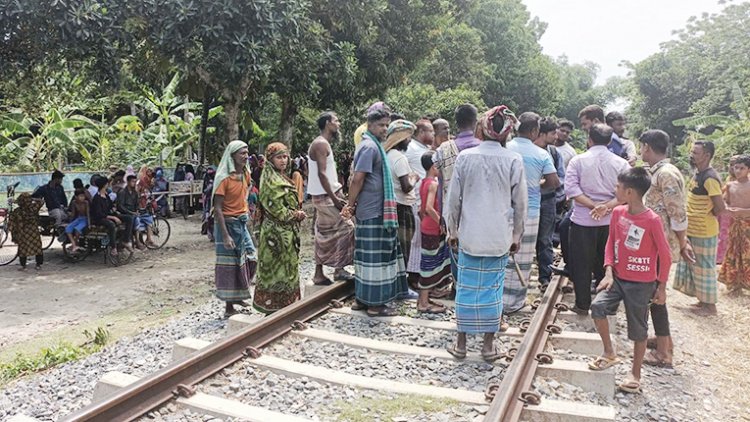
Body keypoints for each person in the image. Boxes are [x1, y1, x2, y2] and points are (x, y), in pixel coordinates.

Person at [444, 103, 527, 361]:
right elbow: (521, 204)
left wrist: (452, 231)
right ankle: (489, 346)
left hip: (470, 235)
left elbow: (453, 200)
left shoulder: (465, 158)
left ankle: (461, 344)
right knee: (493, 289)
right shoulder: (514, 160)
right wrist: (516, 236)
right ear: (506, 133)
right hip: (498, 237)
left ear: (483, 128)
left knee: (467, 288)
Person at [588, 167, 672, 395]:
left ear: (630, 192)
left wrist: (661, 286)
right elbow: (610, 243)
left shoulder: (651, 220)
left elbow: (665, 256)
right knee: (597, 306)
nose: (615, 190)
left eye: (618, 187)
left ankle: (635, 373)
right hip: (618, 278)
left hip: (642, 284)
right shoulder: (618, 213)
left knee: (639, 329)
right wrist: (608, 272)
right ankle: (609, 352)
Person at [342, 108, 408, 317]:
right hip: (373, 211)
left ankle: (362, 300)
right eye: (381, 125)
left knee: (366, 258)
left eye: (386, 125)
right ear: (369, 124)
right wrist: (350, 205)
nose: (384, 129)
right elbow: (357, 179)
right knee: (376, 258)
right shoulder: (370, 147)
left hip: (372, 210)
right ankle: (375, 305)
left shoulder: (372, 145)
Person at [640, 129, 694, 367]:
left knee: (655, 295)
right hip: (656, 242)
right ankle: (665, 341)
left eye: (642, 147)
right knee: (654, 294)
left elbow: (677, 212)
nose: (641, 151)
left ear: (647, 147)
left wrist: (683, 242)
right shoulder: (660, 172)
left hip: (660, 244)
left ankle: (664, 353)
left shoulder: (666, 174)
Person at [564, 123, 630, 314]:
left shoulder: (577, 161)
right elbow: (625, 194)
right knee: (608, 263)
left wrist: (594, 206)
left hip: (583, 221)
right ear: (610, 141)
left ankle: (582, 304)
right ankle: (606, 306)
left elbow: (572, 190)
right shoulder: (621, 163)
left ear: (589, 139)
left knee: (581, 263)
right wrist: (606, 207)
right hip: (611, 222)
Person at [505, 112, 560, 312]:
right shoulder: (541, 154)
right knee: (523, 256)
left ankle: (498, 299)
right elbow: (554, 182)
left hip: (505, 209)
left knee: (502, 254)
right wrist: (536, 182)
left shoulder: (505, 148)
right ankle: (515, 301)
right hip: (531, 211)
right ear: (535, 131)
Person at [673, 141, 725, 316]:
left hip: (704, 230)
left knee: (705, 268)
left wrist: (705, 215)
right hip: (693, 228)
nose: (692, 155)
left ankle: (710, 307)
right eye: (692, 151)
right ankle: (703, 301)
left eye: (696, 152)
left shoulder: (709, 178)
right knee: (697, 267)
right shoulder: (698, 173)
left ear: (707, 155)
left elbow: (720, 208)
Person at [254, 142, 307, 314]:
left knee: (288, 267)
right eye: (279, 157)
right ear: (270, 159)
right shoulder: (270, 179)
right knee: (275, 269)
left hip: (286, 232)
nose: (283, 160)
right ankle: (272, 306)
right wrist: (296, 215)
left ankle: (286, 306)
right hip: (274, 233)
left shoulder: (281, 176)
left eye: (285, 156)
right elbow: (277, 210)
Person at [308, 111, 355, 285]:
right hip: (326, 196)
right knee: (347, 228)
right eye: (336, 120)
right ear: (328, 123)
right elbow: (321, 174)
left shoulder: (322, 143)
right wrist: (334, 199)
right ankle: (339, 269)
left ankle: (318, 273)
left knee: (322, 233)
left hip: (322, 194)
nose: (339, 123)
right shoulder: (321, 144)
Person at [213, 140, 258, 317]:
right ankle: (228, 307)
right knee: (229, 266)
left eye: (247, 152)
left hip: (241, 223)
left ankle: (239, 294)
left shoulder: (246, 174)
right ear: (232, 156)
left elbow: (244, 195)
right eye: (242, 153)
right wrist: (225, 235)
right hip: (227, 224)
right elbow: (217, 207)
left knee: (251, 257)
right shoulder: (223, 178)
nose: (246, 156)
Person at [385, 119, 419, 286]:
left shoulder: (387, 155)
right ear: (401, 137)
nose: (410, 140)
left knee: (394, 247)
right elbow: (406, 187)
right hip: (403, 208)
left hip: (391, 206)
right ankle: (400, 286)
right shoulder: (399, 158)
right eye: (408, 137)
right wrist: (414, 178)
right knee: (404, 248)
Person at [533, 117, 565, 289]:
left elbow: (560, 179)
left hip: (547, 201)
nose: (556, 136)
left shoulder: (553, 153)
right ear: (541, 134)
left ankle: (544, 277)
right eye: (553, 133)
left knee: (545, 240)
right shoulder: (528, 151)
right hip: (528, 201)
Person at [417, 151, 450, 313]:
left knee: (430, 262)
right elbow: (429, 208)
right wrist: (441, 223)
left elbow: (421, 209)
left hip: (426, 226)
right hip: (432, 228)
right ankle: (423, 302)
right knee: (429, 264)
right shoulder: (433, 184)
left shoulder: (424, 182)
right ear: (433, 166)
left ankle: (426, 297)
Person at [718, 154, 750, 292]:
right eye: (736, 168)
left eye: (741, 168)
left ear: (748, 169)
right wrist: (729, 209)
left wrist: (742, 211)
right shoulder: (730, 186)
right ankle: (734, 282)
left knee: (747, 254)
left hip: (747, 224)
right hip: (734, 224)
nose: (738, 171)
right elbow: (724, 202)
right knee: (733, 252)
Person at [90, 177, 130, 256]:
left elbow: (111, 206)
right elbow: (99, 214)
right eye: (107, 184)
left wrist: (115, 210)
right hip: (100, 218)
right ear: (104, 185)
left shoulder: (106, 195)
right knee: (111, 225)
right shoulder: (97, 198)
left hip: (109, 215)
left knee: (129, 218)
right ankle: (113, 247)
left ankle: (126, 240)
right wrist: (113, 217)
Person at [9, 193, 45, 270]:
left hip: (22, 232)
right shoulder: (33, 208)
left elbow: (12, 223)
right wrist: (33, 199)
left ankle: (23, 266)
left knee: (23, 249)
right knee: (37, 248)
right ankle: (38, 265)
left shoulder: (17, 211)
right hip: (34, 232)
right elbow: (41, 201)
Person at [716, 155, 740, 264]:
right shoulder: (729, 179)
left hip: (735, 210)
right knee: (722, 233)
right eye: (730, 165)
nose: (731, 168)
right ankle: (721, 256)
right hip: (725, 209)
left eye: (734, 165)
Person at [116, 175, 146, 250]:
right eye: (133, 181)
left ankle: (140, 240)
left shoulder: (134, 193)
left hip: (133, 212)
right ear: (128, 182)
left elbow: (136, 204)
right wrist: (131, 212)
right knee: (134, 219)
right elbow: (120, 206)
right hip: (124, 213)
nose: (134, 183)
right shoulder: (122, 192)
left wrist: (136, 210)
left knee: (144, 217)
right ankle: (136, 241)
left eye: (135, 182)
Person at [65, 188, 90, 253]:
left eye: (83, 196)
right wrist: (70, 222)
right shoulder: (74, 202)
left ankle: (76, 243)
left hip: (84, 219)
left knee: (77, 229)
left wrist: (89, 224)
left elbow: (88, 214)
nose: (82, 198)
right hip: (78, 218)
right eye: (81, 196)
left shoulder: (86, 203)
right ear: (76, 197)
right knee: (68, 228)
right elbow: (73, 214)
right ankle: (74, 244)